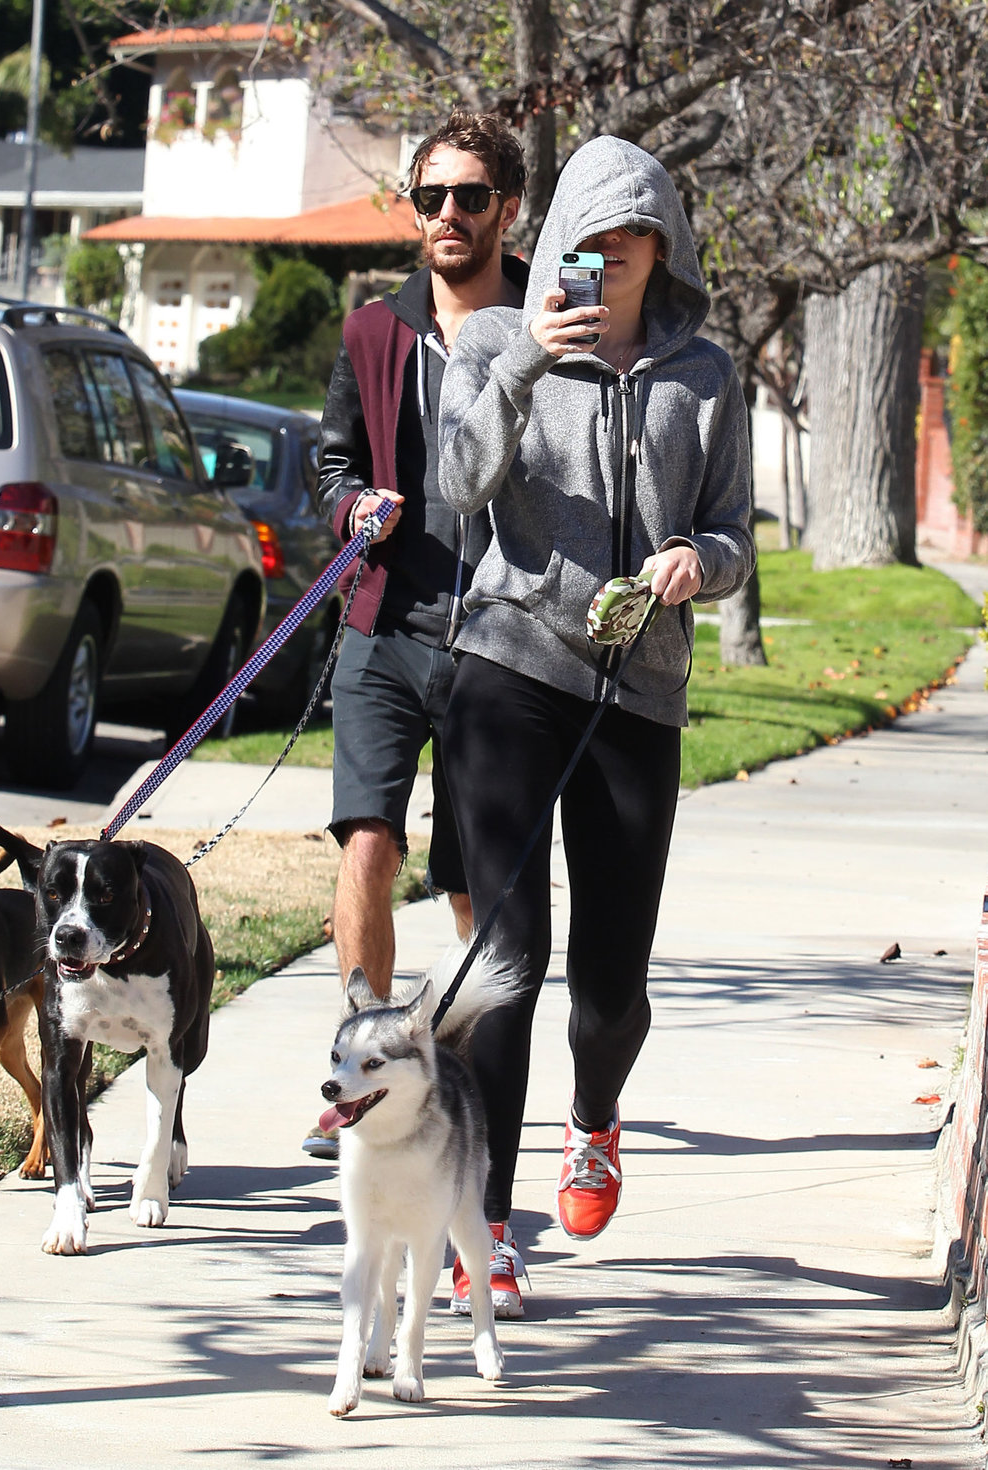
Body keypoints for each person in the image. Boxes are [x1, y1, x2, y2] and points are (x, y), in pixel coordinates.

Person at [436, 135, 756, 1317]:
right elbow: (456, 486)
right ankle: (490, 1223)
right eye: (584, 243)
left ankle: (596, 1112)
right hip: (509, 669)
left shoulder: (706, 375)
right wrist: (522, 362)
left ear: (658, 247)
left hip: (639, 689)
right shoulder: (489, 342)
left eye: (625, 243)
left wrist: (694, 561)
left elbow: (732, 534)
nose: (603, 262)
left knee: (608, 983)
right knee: (507, 964)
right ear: (558, 246)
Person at [303, 111, 529, 1161]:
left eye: (470, 196)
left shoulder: (548, 317)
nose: (448, 214)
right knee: (368, 841)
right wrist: (354, 510)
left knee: (478, 879)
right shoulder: (372, 330)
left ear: (506, 210)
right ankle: (360, 1070)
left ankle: (469, 1087)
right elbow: (332, 462)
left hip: (504, 639)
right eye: (431, 196)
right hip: (386, 623)